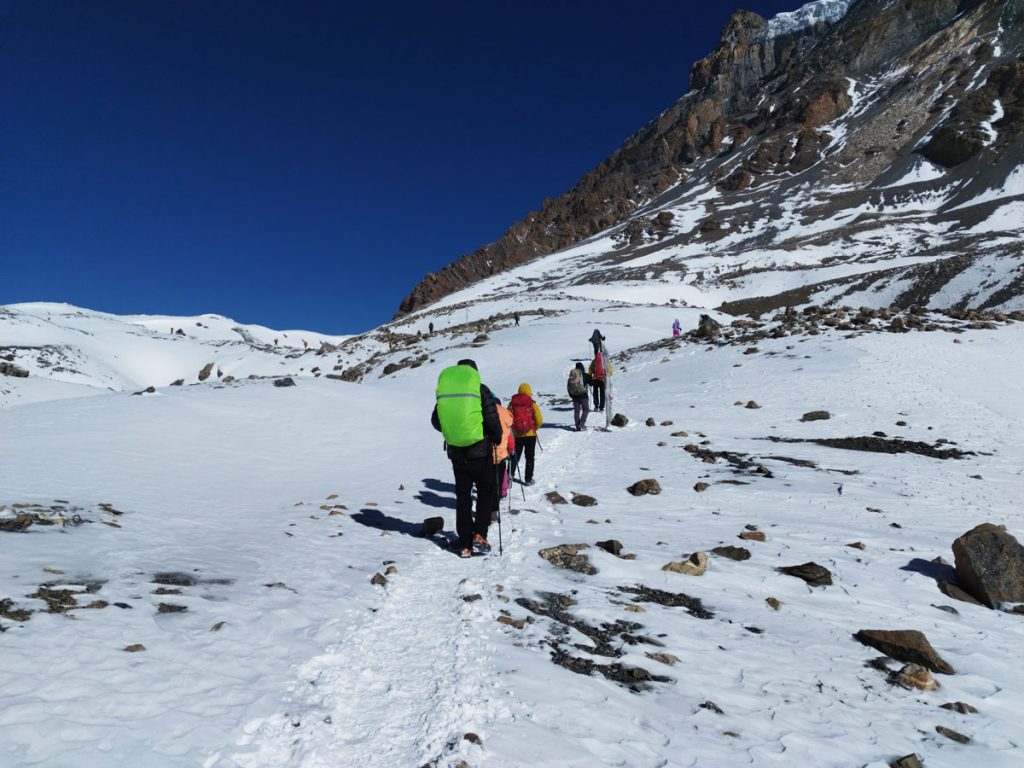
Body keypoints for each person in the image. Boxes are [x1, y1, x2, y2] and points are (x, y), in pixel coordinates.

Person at [431, 359, 502, 558]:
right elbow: (491, 416)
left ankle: (464, 545)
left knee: (463, 497)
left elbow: (436, 420)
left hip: (456, 453)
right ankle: (479, 535)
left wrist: (453, 431)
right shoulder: (480, 389)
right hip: (480, 451)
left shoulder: (448, 393)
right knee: (485, 492)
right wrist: (496, 436)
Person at [510, 383, 543, 486]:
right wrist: (533, 428)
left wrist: (515, 430)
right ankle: (528, 479)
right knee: (529, 457)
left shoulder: (512, 403)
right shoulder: (531, 403)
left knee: (515, 456)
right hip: (530, 435)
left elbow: (508, 417)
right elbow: (539, 420)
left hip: (517, 435)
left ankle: (509, 476)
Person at [492, 394, 515, 499]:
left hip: (487, 453)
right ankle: (503, 491)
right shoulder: (505, 418)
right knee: (503, 473)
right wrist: (511, 449)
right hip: (502, 453)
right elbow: (510, 439)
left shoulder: (482, 416)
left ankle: (490, 491)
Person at [567, 362, 590, 431]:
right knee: (586, 409)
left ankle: (577, 426)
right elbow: (592, 383)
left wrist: (571, 395)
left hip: (574, 396)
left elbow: (568, 387)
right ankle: (582, 423)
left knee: (577, 411)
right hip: (583, 395)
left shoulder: (571, 376)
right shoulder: (584, 375)